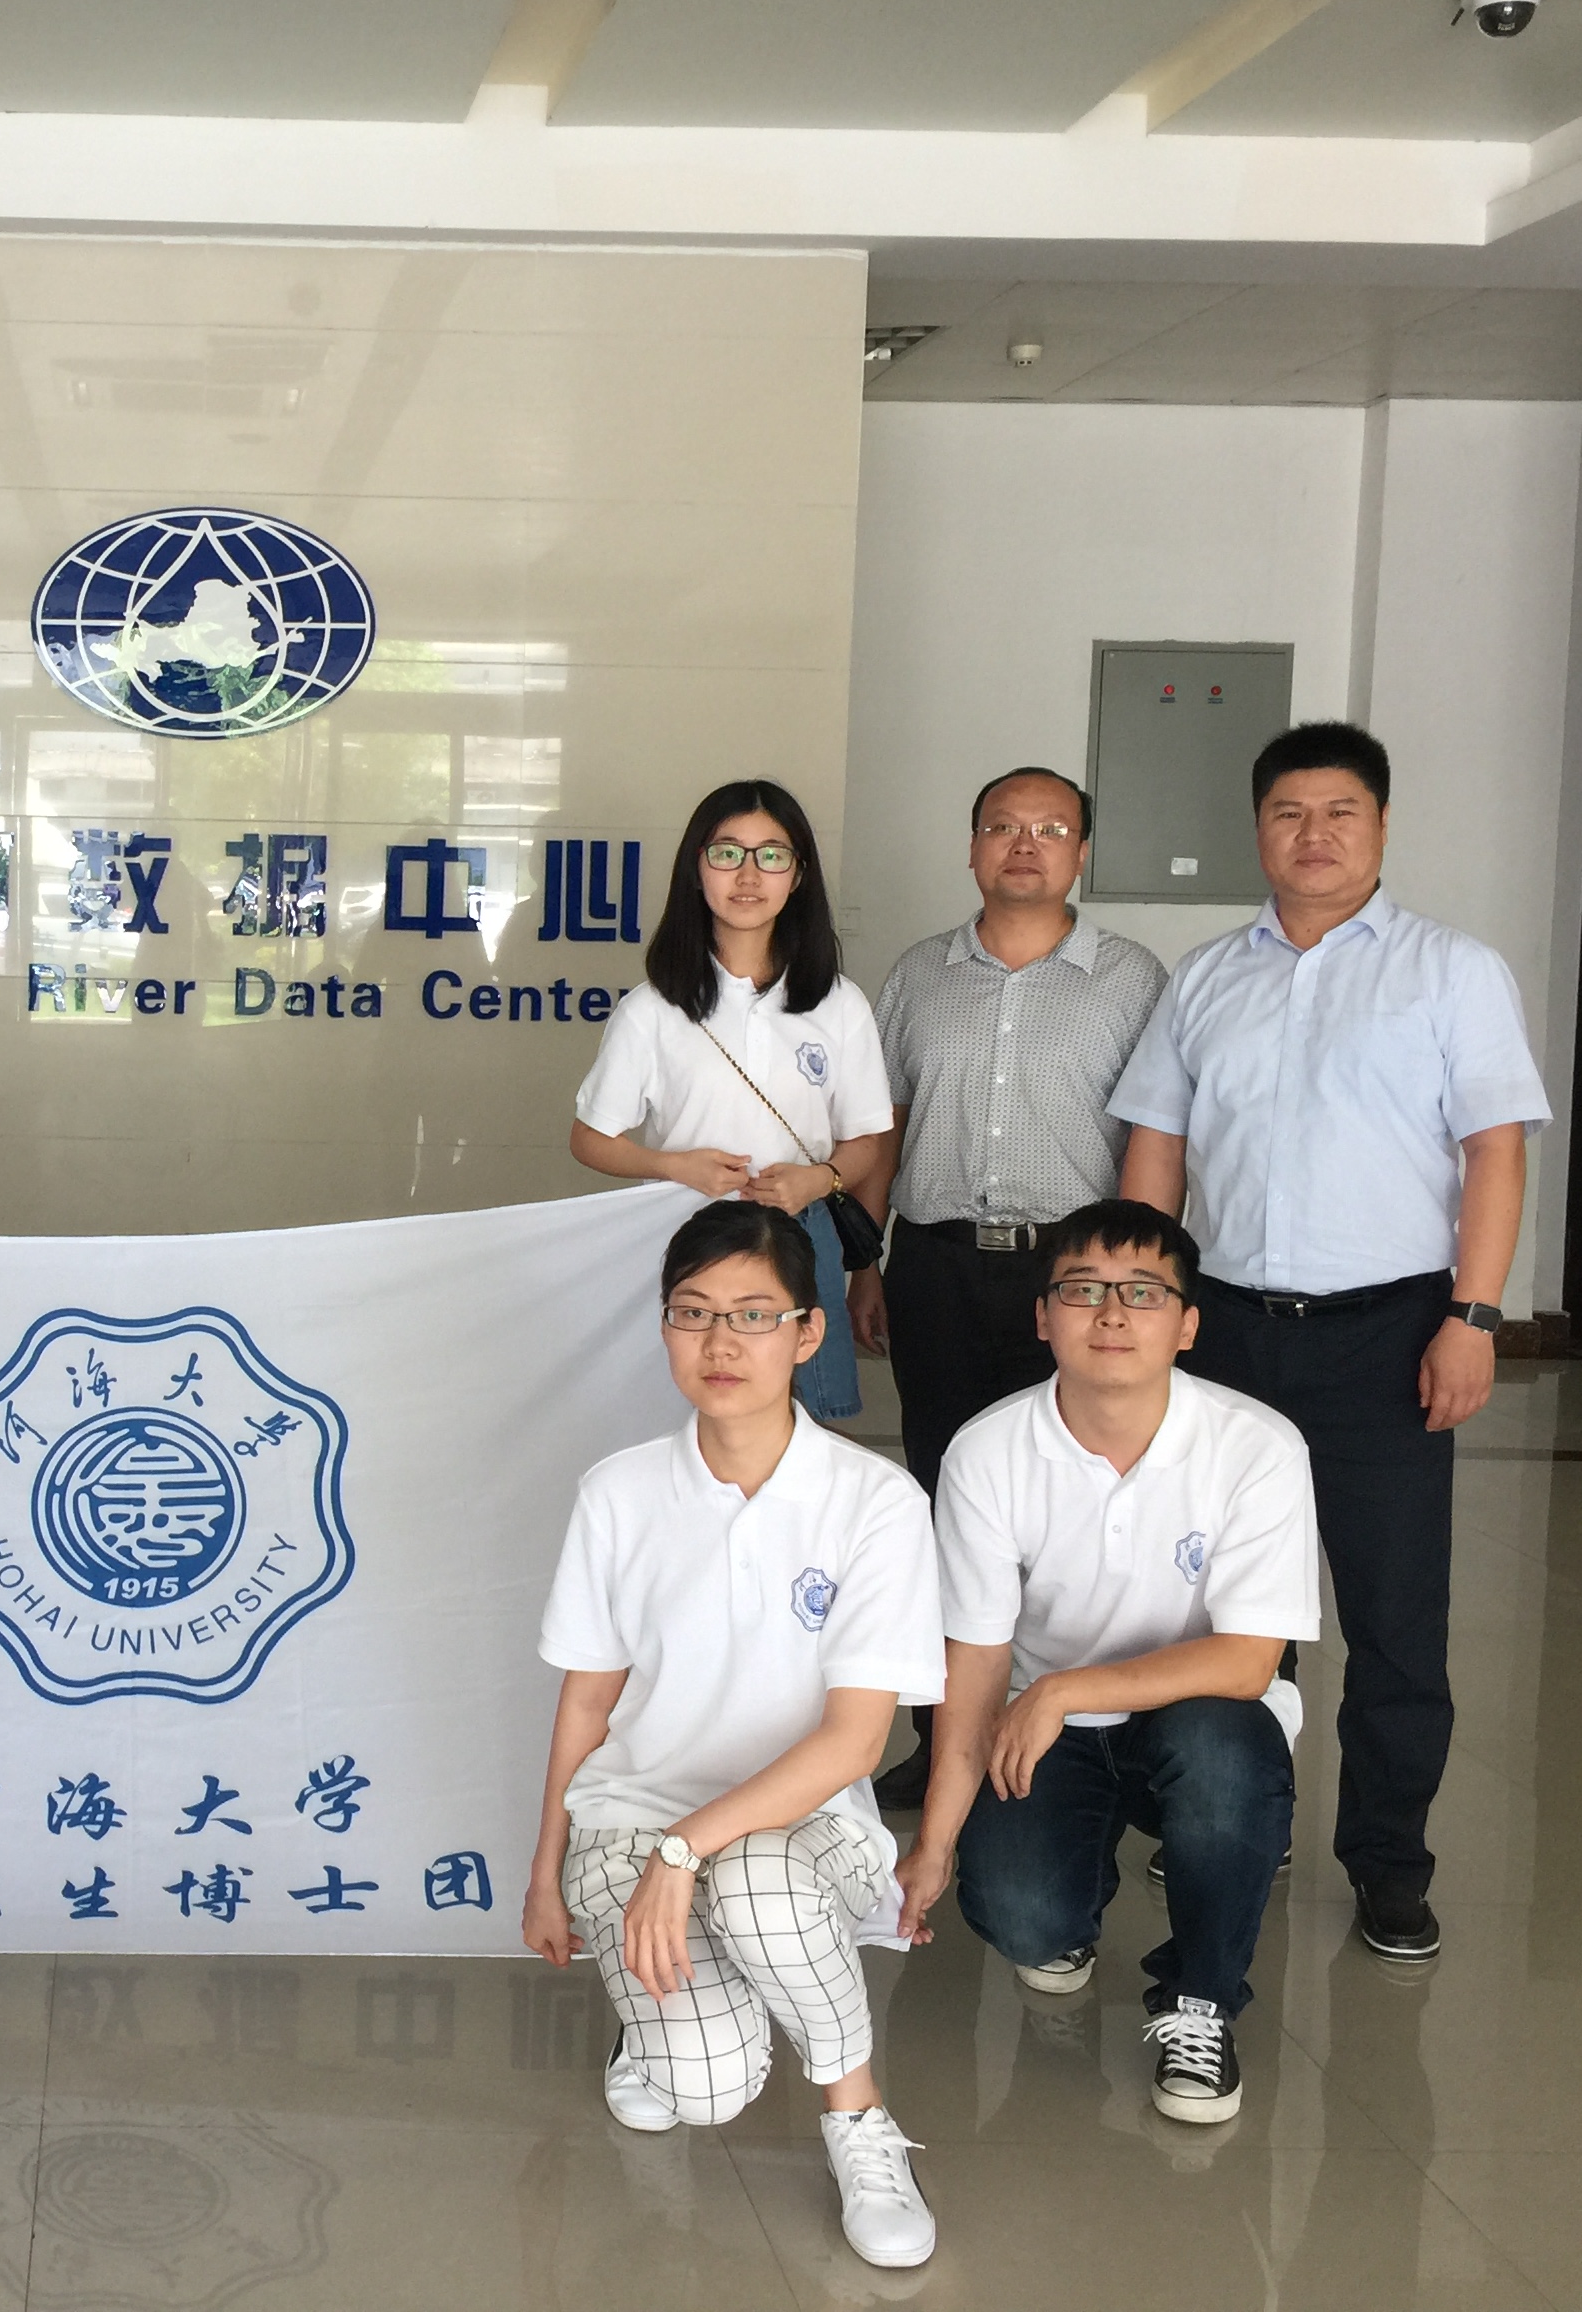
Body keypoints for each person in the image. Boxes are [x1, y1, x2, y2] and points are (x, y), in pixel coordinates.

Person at [1112, 720, 1547, 1963]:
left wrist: (1474, 1315)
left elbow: (1494, 1152)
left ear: (1382, 826)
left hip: (1390, 1333)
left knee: (1395, 1618)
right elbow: (1158, 1148)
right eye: (1289, 813)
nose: (1313, 835)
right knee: (1220, 1598)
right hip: (1228, 1332)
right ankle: (1240, 1813)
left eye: (1339, 812)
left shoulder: (1451, 971)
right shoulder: (1207, 977)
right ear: (1258, 829)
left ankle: (1391, 1863)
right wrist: (1139, 1307)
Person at [522, 1199, 943, 2272]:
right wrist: (545, 1872)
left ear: (809, 1333)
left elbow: (854, 1744)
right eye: (693, 1311)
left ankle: (859, 2119)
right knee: (700, 2088)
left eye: (754, 1315)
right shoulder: (618, 1494)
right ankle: (670, 2020)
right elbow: (586, 1705)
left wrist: (685, 1852)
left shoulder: (875, 1502)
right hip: (632, 1815)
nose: (721, 1341)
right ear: (665, 1326)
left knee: (753, 1883)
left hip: (808, 1830)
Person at [891, 1199, 1318, 2125]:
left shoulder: (1258, 1447)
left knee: (1222, 1754)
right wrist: (933, 1846)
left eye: (1143, 1293)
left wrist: (1064, 1688)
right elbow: (973, 1672)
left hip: (1199, 1714)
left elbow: (1249, 1661)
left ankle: (1200, 2000)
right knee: (1022, 1921)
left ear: (1188, 1324)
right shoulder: (987, 1452)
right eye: (1082, 1291)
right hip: (1049, 1730)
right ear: (1043, 1318)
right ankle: (1070, 1901)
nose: (1113, 1314)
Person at [857, 766, 1166, 1808]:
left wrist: (1132, 1285)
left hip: (1075, 1277)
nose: (1025, 844)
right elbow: (884, 1130)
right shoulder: (918, 975)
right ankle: (944, 1736)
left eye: (1050, 829)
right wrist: (866, 1259)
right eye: (1003, 826)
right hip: (937, 1267)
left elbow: (1157, 1138)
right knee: (945, 1498)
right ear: (974, 847)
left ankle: (1078, 1734)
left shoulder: (1133, 980)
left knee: (1074, 1499)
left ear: (1083, 852)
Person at [571, 779, 892, 1422]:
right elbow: (589, 1140)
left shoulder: (839, 1002)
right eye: (726, 853)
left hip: (800, 1241)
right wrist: (673, 1166)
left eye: (772, 855)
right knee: (686, 1418)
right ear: (697, 869)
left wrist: (819, 1179)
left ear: (799, 875)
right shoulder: (652, 1008)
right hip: (685, 1240)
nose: (748, 875)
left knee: (807, 1428)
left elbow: (866, 1141)